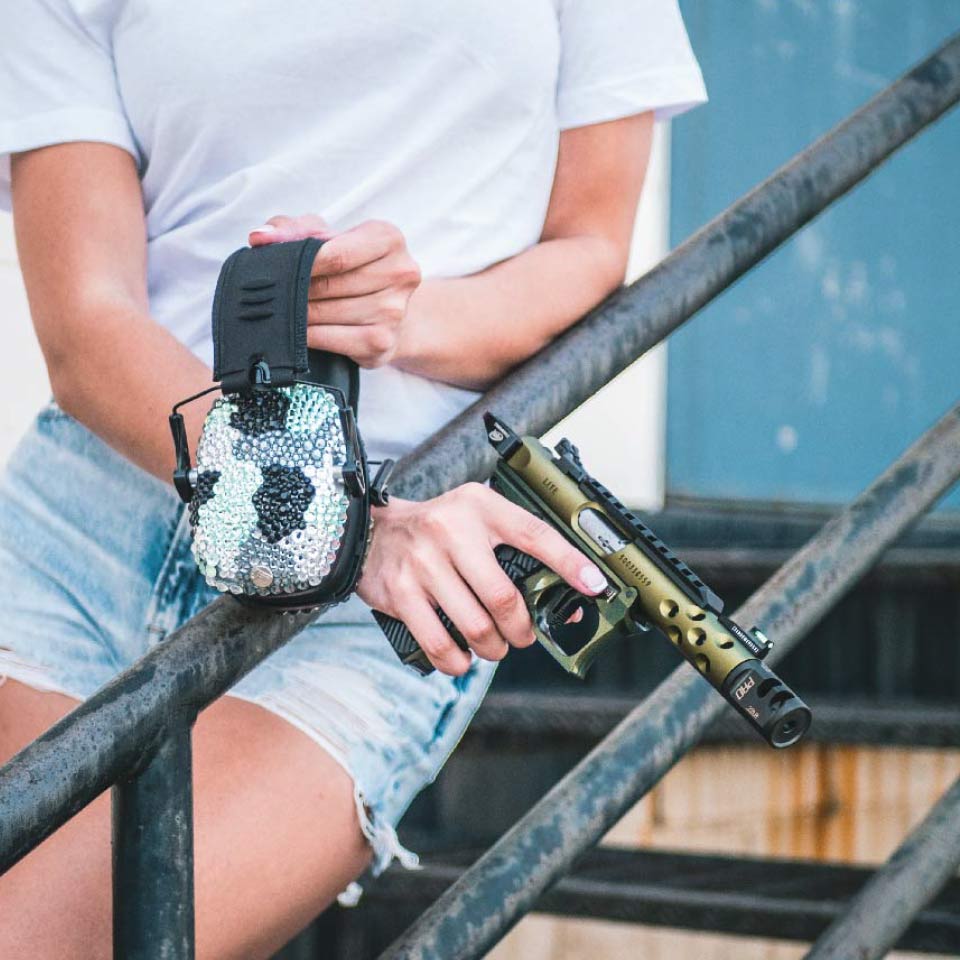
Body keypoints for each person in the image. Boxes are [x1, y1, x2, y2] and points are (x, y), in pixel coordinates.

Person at [0, 1, 705, 956]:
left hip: (393, 549)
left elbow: (588, 247)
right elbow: (86, 322)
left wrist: (404, 326)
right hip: (96, 523)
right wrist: (343, 520)